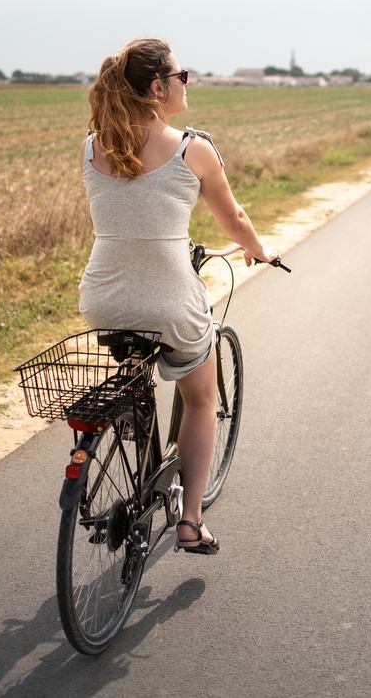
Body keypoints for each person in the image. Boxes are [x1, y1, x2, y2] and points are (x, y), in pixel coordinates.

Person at [77, 38, 276, 555]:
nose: (188, 82)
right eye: (181, 74)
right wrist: (260, 251)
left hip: (102, 295)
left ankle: (134, 454)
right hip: (169, 299)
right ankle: (190, 520)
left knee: (139, 370)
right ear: (157, 87)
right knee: (202, 399)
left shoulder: (92, 145)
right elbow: (233, 220)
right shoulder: (193, 148)